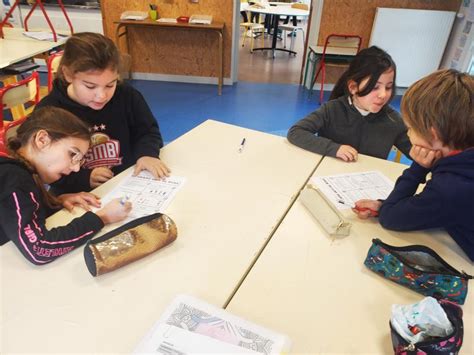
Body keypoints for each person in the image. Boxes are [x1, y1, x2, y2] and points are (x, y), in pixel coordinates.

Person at [353, 69, 474, 261]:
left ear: (433, 135)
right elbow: (439, 208)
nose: (408, 134)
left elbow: (391, 218)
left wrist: (419, 165)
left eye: (410, 128)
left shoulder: (450, 188)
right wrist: (385, 205)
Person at [36, 32, 169, 194]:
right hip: (74, 195)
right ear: (68, 74)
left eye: (110, 85)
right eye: (90, 86)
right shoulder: (49, 112)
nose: (102, 96)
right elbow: (44, 167)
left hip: (127, 183)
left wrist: (146, 154)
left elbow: (147, 131)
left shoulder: (127, 96)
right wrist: (84, 177)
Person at [0, 107, 132, 265]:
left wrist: (56, 201)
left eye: (79, 160)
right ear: (42, 140)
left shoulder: (16, 166)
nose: (76, 168)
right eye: (72, 154)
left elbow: (16, 210)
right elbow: (39, 250)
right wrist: (102, 218)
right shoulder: (15, 178)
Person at [287, 46, 411, 162]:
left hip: (368, 181)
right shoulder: (332, 110)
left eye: (388, 87)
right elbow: (296, 132)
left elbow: (415, 151)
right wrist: (334, 148)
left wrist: (426, 153)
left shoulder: (393, 120)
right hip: (329, 175)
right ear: (353, 87)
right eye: (374, 87)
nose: (383, 94)